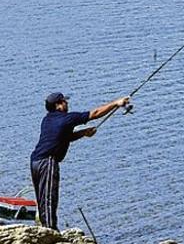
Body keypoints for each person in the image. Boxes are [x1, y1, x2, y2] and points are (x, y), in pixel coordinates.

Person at [30, 92, 130, 230]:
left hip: (35, 161)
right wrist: (116, 103)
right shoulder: (67, 119)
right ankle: (50, 231)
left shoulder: (47, 120)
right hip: (47, 162)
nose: (67, 103)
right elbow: (94, 113)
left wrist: (83, 133)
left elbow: (63, 137)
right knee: (49, 198)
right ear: (58, 105)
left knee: (42, 198)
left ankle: (45, 228)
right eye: (64, 101)